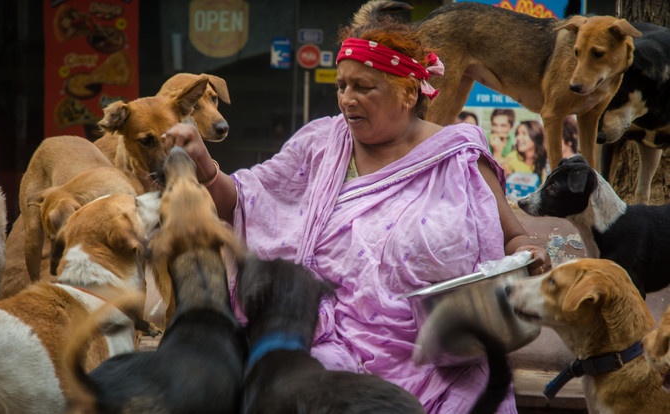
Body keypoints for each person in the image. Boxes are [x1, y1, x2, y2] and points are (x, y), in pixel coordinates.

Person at [166, 19, 551, 414]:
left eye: (363, 87)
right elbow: (246, 201)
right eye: (342, 86)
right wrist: (203, 162)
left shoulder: (458, 154)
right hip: (326, 344)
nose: (347, 99)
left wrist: (528, 255)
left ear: (407, 92)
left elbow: (513, 237)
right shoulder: (319, 144)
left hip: (441, 355)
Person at [505, 120, 549, 184]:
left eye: (524, 134)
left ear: (535, 136)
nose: (518, 138)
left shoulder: (546, 160)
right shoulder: (512, 157)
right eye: (517, 134)